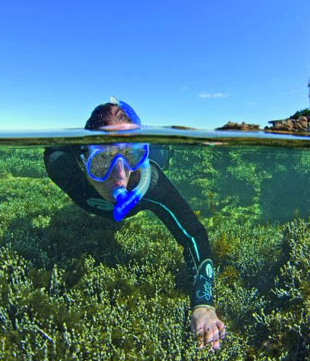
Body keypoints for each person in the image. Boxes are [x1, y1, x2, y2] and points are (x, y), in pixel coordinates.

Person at [44, 97, 226, 351]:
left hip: (157, 159)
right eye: (102, 161)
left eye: (132, 155)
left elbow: (193, 235)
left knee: (162, 156)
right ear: (80, 160)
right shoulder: (60, 165)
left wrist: (203, 305)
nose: (120, 177)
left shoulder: (150, 183)